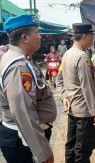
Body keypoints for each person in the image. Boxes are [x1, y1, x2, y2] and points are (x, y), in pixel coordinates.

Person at [0, 14, 56, 163]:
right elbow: (23, 112)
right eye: (37, 33)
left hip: (24, 138)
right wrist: (42, 153)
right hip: (22, 141)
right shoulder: (18, 66)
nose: (41, 37)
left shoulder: (21, 59)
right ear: (25, 38)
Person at [61, 23, 95, 163]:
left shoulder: (67, 54)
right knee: (83, 150)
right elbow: (88, 88)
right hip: (84, 112)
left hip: (72, 109)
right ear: (84, 36)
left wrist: (64, 96)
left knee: (71, 147)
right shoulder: (82, 57)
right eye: (91, 36)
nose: (93, 40)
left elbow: (59, 78)